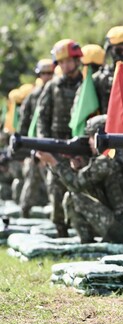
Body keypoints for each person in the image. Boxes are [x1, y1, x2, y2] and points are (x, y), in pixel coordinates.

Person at [36, 115, 123, 244]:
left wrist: (54, 163)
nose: (89, 141)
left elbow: (76, 185)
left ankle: (87, 242)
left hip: (122, 231)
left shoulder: (106, 161)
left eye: (92, 137)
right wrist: (79, 167)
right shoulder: (120, 155)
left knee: (73, 197)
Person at [36, 39, 83, 237]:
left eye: (68, 61)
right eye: (61, 62)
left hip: (80, 148)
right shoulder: (52, 87)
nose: (65, 65)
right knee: (55, 192)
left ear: (76, 60)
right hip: (56, 147)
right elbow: (42, 119)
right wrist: (43, 144)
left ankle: (83, 231)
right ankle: (61, 230)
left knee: (81, 189)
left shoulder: (87, 84)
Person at [17, 59, 54, 217]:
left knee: (52, 179)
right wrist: (23, 148)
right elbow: (24, 123)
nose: (47, 76)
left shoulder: (56, 90)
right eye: (44, 73)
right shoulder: (32, 96)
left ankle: (55, 213)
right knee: (32, 178)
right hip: (35, 142)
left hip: (54, 141)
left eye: (50, 73)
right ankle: (24, 210)